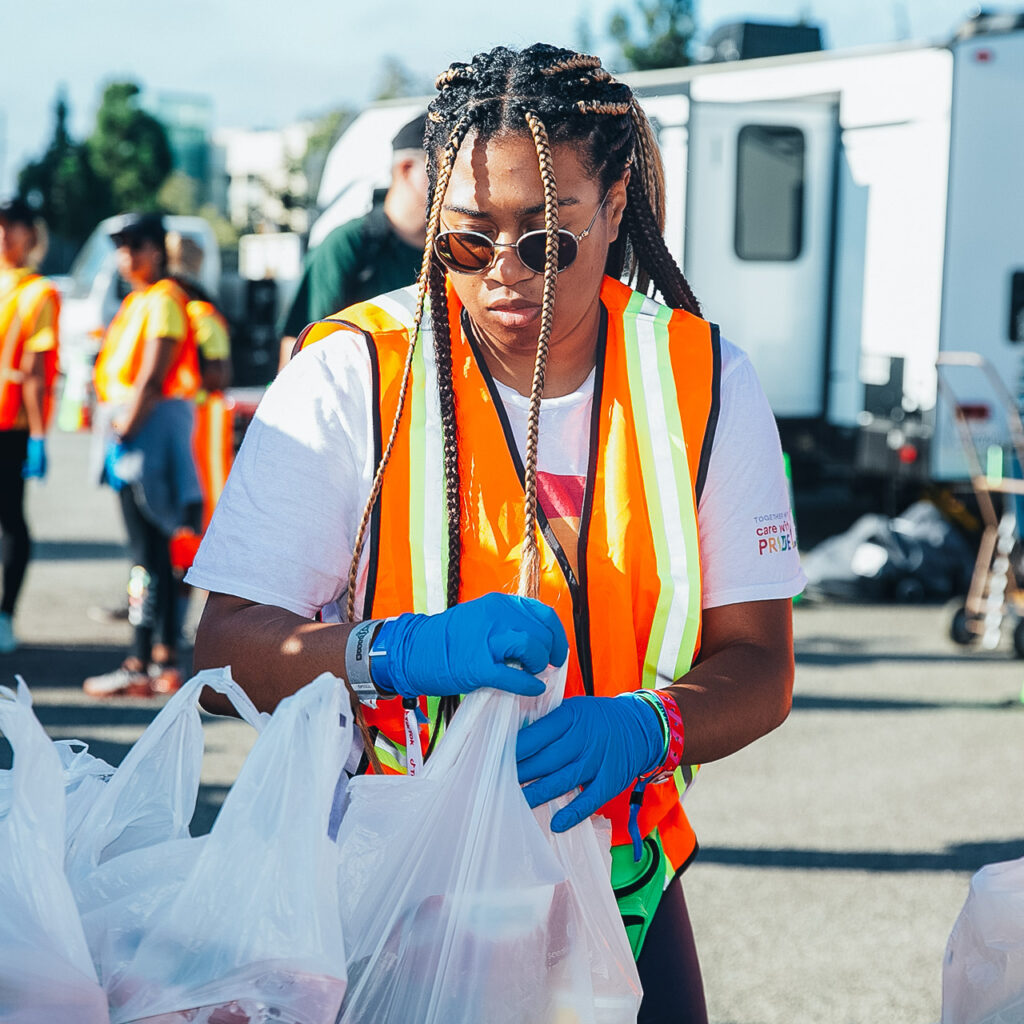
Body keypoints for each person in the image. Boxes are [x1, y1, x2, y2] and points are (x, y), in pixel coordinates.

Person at [189, 44, 804, 1022]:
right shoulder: (351, 375)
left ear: (614, 206)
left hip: (617, 885)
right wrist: (391, 651)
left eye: (547, 240)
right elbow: (224, 650)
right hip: (385, 888)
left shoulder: (705, 384)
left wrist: (649, 724)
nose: (508, 277)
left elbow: (760, 663)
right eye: (468, 243)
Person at [83, 212, 204, 698]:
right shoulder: (139, 301)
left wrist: (122, 429)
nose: (125, 256)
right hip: (137, 431)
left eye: (134, 245)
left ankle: (144, 659)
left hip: (144, 434)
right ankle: (161, 658)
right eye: (121, 247)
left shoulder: (163, 301)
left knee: (147, 555)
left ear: (157, 250)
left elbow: (152, 378)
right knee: (152, 554)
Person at [276, 113, 429, 370]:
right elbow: (301, 346)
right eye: (445, 166)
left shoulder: (455, 250)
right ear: (406, 169)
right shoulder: (347, 246)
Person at [0, 198, 60, 654]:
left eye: (13, 226)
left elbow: (37, 370)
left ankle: (5, 614)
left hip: (10, 425)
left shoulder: (39, 292)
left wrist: (39, 434)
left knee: (9, 520)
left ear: (30, 235)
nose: (4, 234)